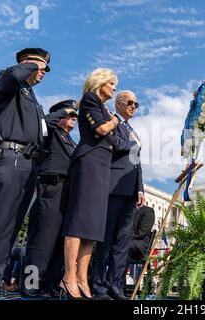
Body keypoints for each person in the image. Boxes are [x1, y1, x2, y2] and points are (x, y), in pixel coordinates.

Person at [0, 48, 74, 297]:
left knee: (10, 227)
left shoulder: (31, 98)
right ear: (26, 64)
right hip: (7, 157)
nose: (44, 72)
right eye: (41, 67)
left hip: (26, 163)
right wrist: (32, 65)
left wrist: (65, 112)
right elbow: (12, 76)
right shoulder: (6, 85)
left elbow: (43, 127)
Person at [61, 68, 122, 300]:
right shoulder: (89, 100)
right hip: (88, 163)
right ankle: (68, 276)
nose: (114, 88)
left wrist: (113, 120)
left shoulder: (103, 107)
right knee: (78, 221)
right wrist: (116, 119)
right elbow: (101, 129)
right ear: (100, 82)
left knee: (92, 227)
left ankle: (82, 277)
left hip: (101, 167)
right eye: (112, 83)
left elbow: (116, 141)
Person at [21, 100, 78, 298]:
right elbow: (43, 123)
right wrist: (63, 112)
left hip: (68, 193)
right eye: (70, 115)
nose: (73, 119)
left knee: (60, 243)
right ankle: (31, 284)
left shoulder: (72, 142)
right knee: (41, 241)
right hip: (50, 189)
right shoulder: (49, 132)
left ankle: (50, 284)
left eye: (74, 116)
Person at [91, 90, 145, 300]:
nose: (133, 107)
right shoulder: (110, 121)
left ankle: (115, 286)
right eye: (130, 102)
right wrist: (135, 144)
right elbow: (117, 145)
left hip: (130, 192)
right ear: (119, 103)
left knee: (122, 242)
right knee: (105, 240)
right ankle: (98, 285)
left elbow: (136, 163)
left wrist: (140, 188)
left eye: (136, 104)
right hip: (112, 188)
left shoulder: (133, 130)